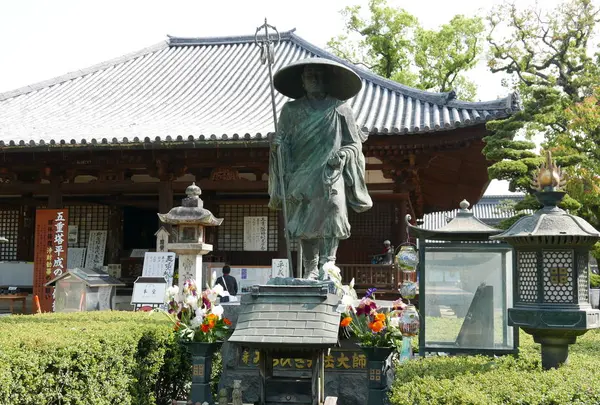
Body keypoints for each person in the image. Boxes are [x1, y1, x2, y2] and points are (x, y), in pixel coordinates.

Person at [269, 58, 373, 280]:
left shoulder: (340, 108)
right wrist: (278, 145)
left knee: (333, 210)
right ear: (302, 82)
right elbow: (284, 142)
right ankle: (311, 267)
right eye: (309, 76)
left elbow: (354, 143)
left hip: (330, 170)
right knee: (305, 216)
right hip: (301, 172)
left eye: (318, 75)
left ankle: (329, 264)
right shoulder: (290, 110)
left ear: (326, 81)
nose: (314, 79)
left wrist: (343, 154)